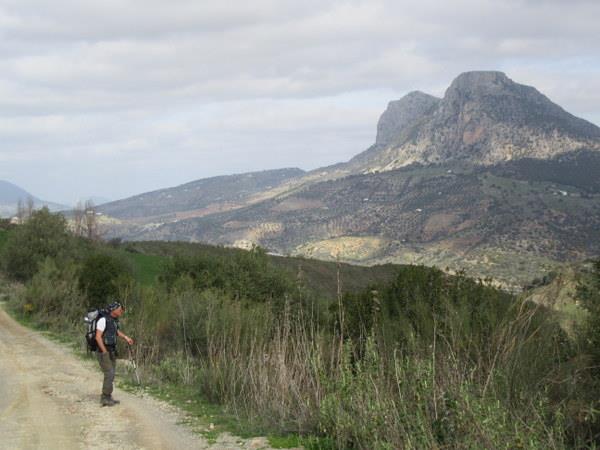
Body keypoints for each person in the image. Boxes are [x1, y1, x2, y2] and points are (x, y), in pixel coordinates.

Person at [95, 301, 134, 407]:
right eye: (120, 309)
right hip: (104, 352)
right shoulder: (103, 320)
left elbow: (116, 332)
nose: (121, 311)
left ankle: (108, 396)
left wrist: (126, 338)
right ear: (114, 310)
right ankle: (105, 397)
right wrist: (104, 351)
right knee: (109, 373)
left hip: (111, 351)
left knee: (111, 374)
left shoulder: (113, 321)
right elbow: (98, 337)